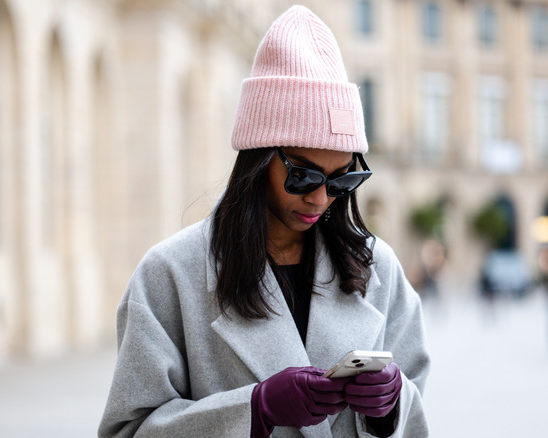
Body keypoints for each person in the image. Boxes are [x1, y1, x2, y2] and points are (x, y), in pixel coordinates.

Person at [98, 6, 431, 438]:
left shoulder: (378, 268)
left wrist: (392, 404)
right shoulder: (168, 274)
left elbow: (417, 407)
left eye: (342, 178)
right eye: (303, 174)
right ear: (258, 158)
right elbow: (128, 430)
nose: (320, 197)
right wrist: (254, 409)